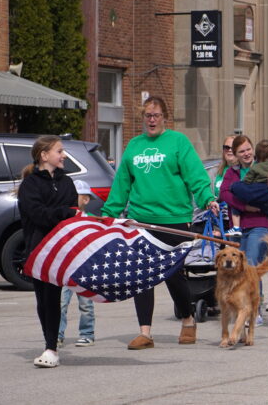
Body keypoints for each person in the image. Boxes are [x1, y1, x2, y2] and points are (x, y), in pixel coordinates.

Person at [102, 96, 219, 349]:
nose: (151, 120)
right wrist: (109, 212)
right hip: (141, 222)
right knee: (142, 276)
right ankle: (145, 332)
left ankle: (187, 319)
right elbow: (122, 184)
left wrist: (208, 198)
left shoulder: (178, 142)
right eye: (147, 116)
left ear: (165, 117)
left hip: (175, 221)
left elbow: (196, 176)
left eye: (155, 115)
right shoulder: (134, 146)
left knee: (173, 275)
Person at [18, 135, 78, 367]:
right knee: (43, 300)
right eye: (59, 151)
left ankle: (51, 348)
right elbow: (38, 215)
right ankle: (50, 343)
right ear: (44, 156)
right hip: (38, 250)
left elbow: (73, 210)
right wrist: (63, 213)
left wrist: (65, 213)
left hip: (61, 249)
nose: (63, 155)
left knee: (53, 297)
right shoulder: (30, 185)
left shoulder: (67, 182)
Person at [220, 135, 268, 325]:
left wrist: (247, 196)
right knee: (237, 270)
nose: (246, 154)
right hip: (237, 228)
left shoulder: (264, 167)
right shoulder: (231, 172)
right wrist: (246, 206)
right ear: (235, 154)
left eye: (248, 149)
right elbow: (225, 194)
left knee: (250, 265)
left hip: (260, 223)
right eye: (241, 151)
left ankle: (255, 310)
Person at [58, 180, 97, 348]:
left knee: (86, 303)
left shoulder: (90, 221)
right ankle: (57, 335)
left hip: (84, 269)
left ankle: (87, 334)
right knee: (60, 303)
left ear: (86, 200)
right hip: (65, 268)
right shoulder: (64, 218)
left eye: (76, 196)